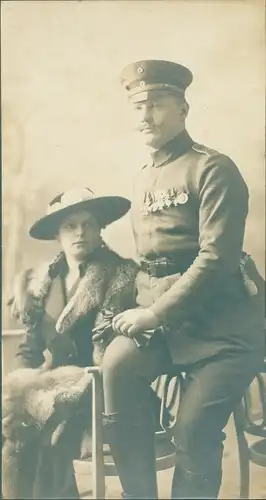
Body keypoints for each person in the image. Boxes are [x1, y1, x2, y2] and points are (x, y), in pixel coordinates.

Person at [101, 60, 265, 499]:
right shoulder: (142, 178)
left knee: (193, 432)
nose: (145, 117)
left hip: (225, 329)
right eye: (138, 107)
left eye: (156, 105)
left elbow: (216, 259)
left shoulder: (213, 169)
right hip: (169, 326)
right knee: (115, 366)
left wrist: (154, 313)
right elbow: (152, 262)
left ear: (183, 109)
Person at [2, 187, 138, 499]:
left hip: (102, 388)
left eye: (88, 224)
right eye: (70, 226)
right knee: (13, 422)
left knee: (51, 429)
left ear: (100, 228)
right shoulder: (42, 282)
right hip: (52, 387)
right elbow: (30, 347)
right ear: (57, 236)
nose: (80, 233)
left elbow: (110, 349)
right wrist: (19, 382)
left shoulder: (120, 274)